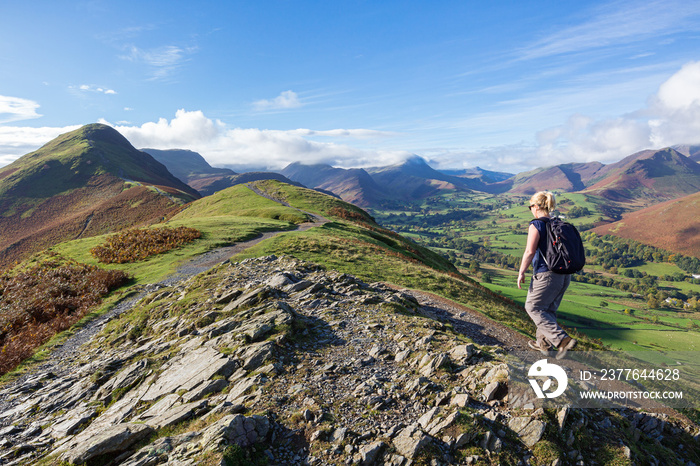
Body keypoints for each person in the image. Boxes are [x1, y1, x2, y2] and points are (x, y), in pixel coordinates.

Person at [517, 191, 577, 359]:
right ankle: (544, 345)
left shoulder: (537, 224)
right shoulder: (558, 224)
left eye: (530, 206)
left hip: (546, 275)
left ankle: (563, 341)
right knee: (548, 310)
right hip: (564, 275)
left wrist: (521, 271)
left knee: (533, 307)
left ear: (536, 206)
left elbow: (529, 251)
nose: (530, 210)